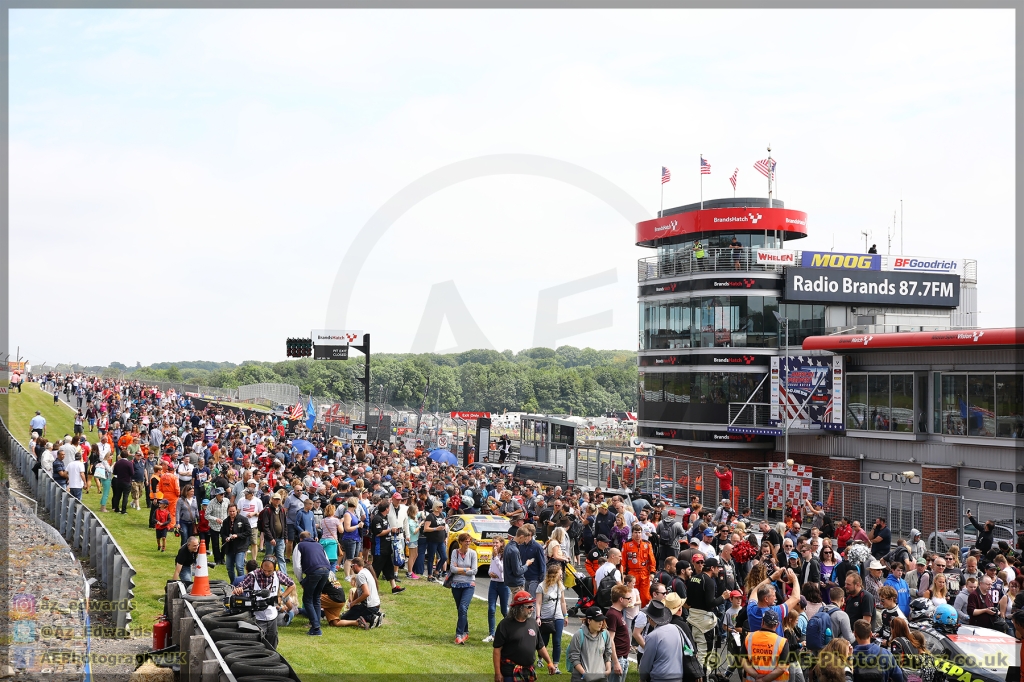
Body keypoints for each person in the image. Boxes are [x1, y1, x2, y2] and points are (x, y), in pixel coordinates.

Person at [492, 590, 558, 682]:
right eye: (529, 606)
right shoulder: (505, 625)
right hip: (510, 672)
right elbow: (497, 650)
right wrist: (498, 673)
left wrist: (549, 662)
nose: (532, 609)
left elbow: (540, 646)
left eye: (533, 606)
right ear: (519, 608)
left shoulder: (532, 623)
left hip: (528, 671)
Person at [232, 557, 297, 648]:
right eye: (264, 570)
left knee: (272, 642)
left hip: (272, 617)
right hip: (257, 617)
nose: (266, 573)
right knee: (256, 644)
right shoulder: (253, 575)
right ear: (261, 566)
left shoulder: (278, 575)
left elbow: (292, 584)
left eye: (269, 571)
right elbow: (241, 586)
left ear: (275, 568)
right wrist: (238, 589)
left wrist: (281, 597)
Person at [292, 530, 331, 636]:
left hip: (314, 571)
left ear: (300, 538)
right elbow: (327, 560)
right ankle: (316, 624)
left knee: (307, 599)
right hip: (326, 571)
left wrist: (301, 580)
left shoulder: (300, 546)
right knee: (316, 598)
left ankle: (316, 628)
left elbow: (296, 566)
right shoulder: (319, 545)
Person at [637, 600, 687, 682]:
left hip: (660, 678)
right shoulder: (677, 628)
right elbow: (688, 650)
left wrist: (642, 678)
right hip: (678, 676)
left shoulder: (652, 636)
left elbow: (646, 663)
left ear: (650, 619)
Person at [566, 606, 614, 682]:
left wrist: (608, 670)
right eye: (597, 620)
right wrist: (585, 674)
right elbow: (574, 658)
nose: (601, 623)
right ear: (589, 621)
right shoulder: (578, 635)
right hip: (582, 678)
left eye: (602, 620)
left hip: (601, 677)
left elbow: (608, 653)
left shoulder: (605, 634)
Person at [742, 609, 790, 682]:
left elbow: (743, 660)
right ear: (777, 625)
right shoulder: (782, 642)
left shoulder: (749, 637)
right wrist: (763, 680)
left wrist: (756, 676)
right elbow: (781, 668)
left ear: (762, 622)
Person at [536, 563, 568, 672]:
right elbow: (538, 603)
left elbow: (563, 602)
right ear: (554, 575)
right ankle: (540, 659)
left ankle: (555, 665)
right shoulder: (542, 586)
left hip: (558, 616)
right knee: (544, 641)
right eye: (560, 573)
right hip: (545, 617)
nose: (561, 575)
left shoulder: (560, 585)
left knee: (557, 641)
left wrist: (566, 615)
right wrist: (538, 617)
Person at [370, 500, 405, 594]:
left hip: (387, 548)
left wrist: (394, 531)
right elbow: (378, 533)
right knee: (375, 570)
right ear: (386, 509)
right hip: (379, 549)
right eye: (389, 507)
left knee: (389, 569)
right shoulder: (377, 519)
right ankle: (369, 588)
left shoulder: (385, 518)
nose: (389, 509)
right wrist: (391, 530)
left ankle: (394, 588)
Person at [449, 532, 478, 644]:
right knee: (461, 609)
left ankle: (459, 634)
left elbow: (474, 571)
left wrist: (460, 569)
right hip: (456, 584)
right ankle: (465, 631)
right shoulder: (455, 552)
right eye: (465, 541)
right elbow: (452, 569)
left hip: (469, 585)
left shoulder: (473, 554)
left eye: (469, 541)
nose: (468, 542)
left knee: (463, 607)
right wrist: (466, 569)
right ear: (460, 542)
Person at [606, 583, 632, 682]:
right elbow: (610, 640)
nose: (630, 600)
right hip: (618, 658)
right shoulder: (612, 615)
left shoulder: (618, 612)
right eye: (628, 598)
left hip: (623, 657)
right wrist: (616, 662)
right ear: (621, 599)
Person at [485, 537, 509, 643]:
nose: (494, 545)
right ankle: (492, 634)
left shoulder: (505, 555)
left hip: (503, 584)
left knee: (504, 610)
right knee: (491, 609)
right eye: (493, 543)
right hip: (493, 583)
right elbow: (491, 567)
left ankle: (510, 631)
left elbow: (502, 569)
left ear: (501, 543)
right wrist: (490, 573)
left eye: (496, 543)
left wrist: (496, 557)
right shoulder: (493, 555)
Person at [221, 503, 251, 584]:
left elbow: (248, 532)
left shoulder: (243, 519)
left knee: (239, 566)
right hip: (229, 547)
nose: (232, 513)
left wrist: (237, 535)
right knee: (229, 567)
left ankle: (243, 584)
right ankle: (233, 583)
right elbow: (222, 533)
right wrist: (225, 538)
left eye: (233, 511)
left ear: (237, 510)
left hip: (240, 546)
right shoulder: (225, 521)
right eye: (230, 511)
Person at [259, 492, 289, 573]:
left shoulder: (282, 510)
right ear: (272, 500)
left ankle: (284, 576)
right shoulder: (267, 510)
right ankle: (263, 572)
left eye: (278, 499)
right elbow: (265, 526)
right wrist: (271, 538)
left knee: (281, 558)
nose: (277, 501)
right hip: (270, 539)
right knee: (268, 557)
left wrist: (286, 537)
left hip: (281, 538)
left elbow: (285, 524)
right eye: (275, 499)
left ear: (280, 500)